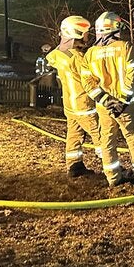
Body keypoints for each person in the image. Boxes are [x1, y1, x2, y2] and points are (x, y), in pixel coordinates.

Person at [83, 11, 134, 186]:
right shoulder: (126, 48)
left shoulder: (90, 53)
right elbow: (131, 76)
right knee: (133, 137)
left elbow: (88, 82)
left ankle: (113, 178)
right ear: (115, 29)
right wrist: (122, 100)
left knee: (107, 140)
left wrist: (105, 100)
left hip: (105, 107)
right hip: (127, 105)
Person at [42, 16, 103, 178]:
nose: (88, 36)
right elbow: (92, 78)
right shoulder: (78, 58)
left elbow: (52, 56)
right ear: (76, 34)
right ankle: (112, 169)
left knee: (74, 136)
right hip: (84, 104)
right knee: (100, 136)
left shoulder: (59, 54)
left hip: (70, 105)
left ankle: (74, 166)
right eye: (85, 33)